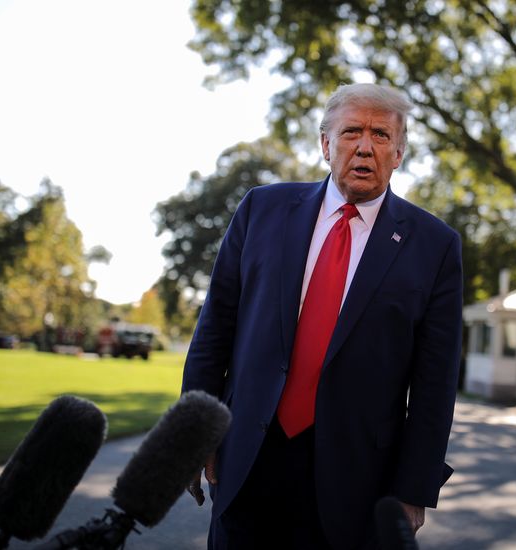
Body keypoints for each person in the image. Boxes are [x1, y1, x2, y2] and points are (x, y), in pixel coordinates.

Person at [182, 82, 463, 550]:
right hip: (248, 458)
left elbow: (435, 381)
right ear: (325, 144)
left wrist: (414, 489)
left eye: (381, 135)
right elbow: (215, 330)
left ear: (399, 153)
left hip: (357, 480)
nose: (366, 146)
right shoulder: (261, 209)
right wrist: (193, 437)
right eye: (352, 131)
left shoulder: (434, 246)